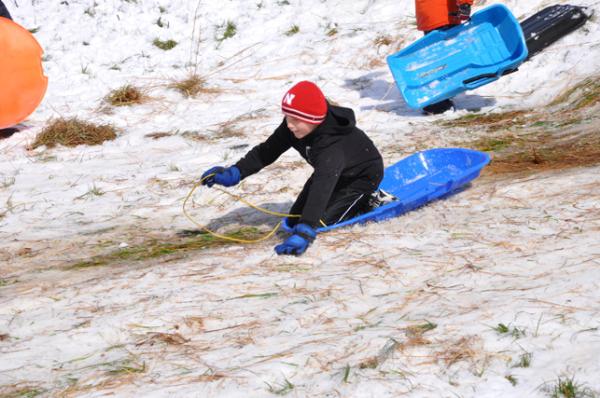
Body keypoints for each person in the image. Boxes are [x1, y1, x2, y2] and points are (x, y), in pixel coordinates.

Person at [201, 81, 385, 256]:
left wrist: (306, 230)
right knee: (294, 220)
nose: (289, 124)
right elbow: (267, 151)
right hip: (330, 174)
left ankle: (367, 200)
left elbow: (322, 186)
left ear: (314, 119)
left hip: (360, 179)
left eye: (296, 119)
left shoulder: (331, 146)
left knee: (319, 223)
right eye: (287, 116)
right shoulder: (294, 128)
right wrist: (235, 172)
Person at [415, 0, 473, 114]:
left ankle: (436, 99)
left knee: (436, 58)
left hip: (429, 13)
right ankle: (437, 103)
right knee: (444, 61)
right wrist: (465, 2)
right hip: (443, 14)